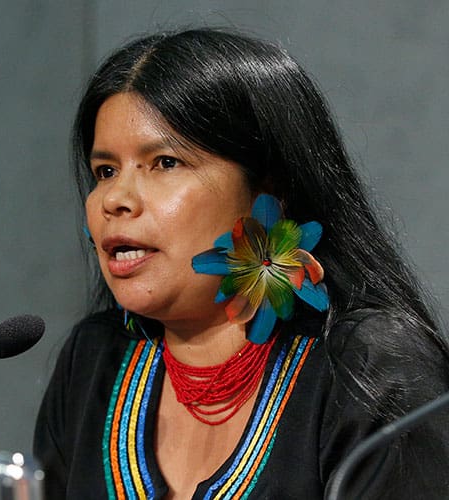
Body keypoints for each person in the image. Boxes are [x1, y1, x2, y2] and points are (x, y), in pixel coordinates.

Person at [33, 28, 449, 499]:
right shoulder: (97, 359)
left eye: (166, 162)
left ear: (271, 189)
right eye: (105, 171)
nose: (116, 200)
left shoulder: (366, 364)